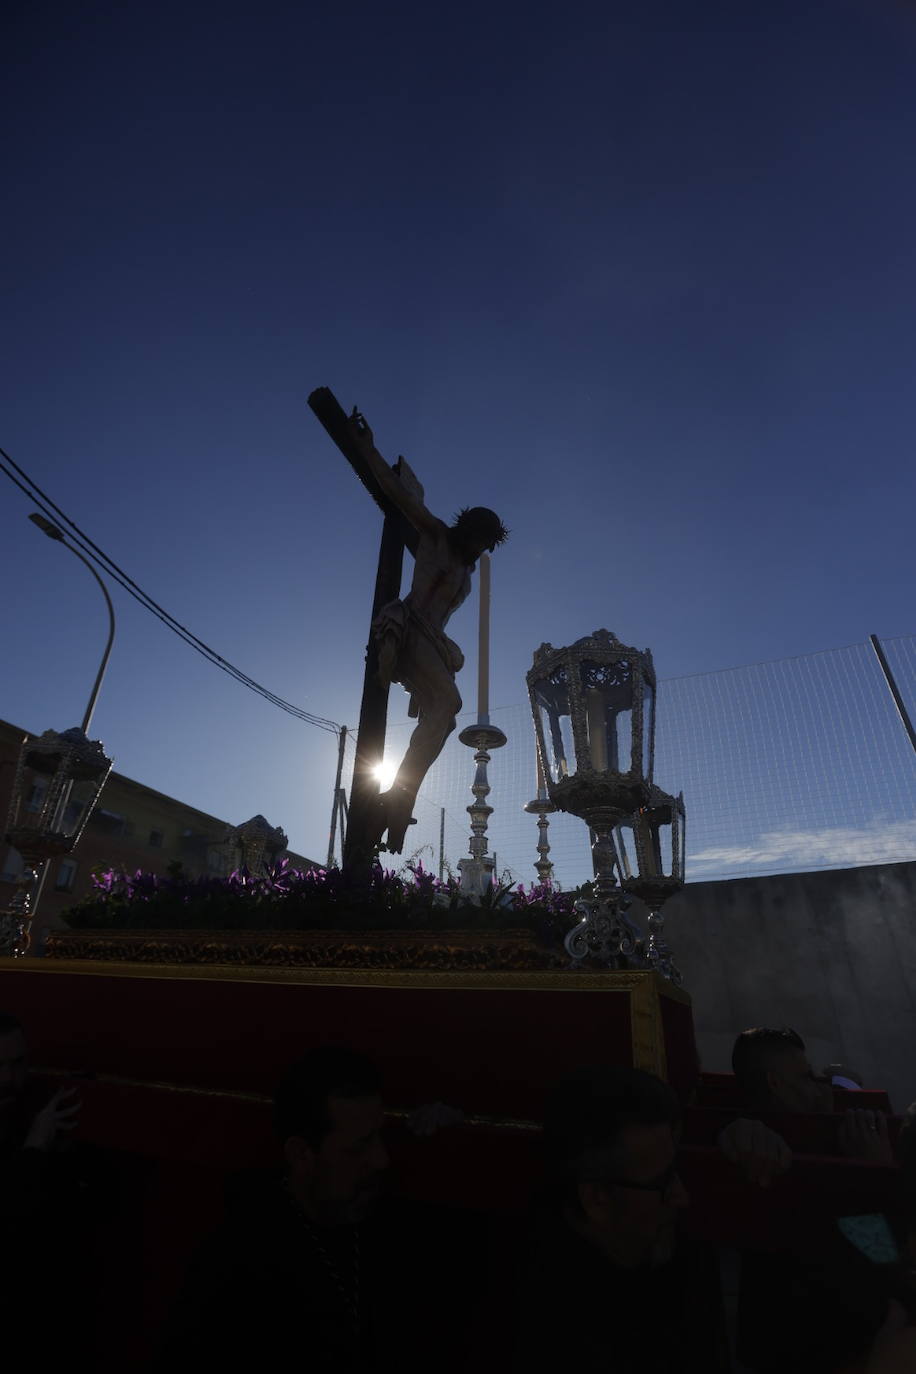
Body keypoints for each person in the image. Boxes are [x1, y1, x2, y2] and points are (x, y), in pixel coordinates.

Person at [152, 1045, 468, 1373]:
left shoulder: (380, 1219)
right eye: (359, 1146)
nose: (381, 1159)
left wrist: (454, 1148)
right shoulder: (239, 1261)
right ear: (302, 1155)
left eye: (380, 1137)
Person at [347, 407, 508, 853]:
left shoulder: (467, 573)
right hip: (411, 624)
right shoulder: (436, 536)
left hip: (432, 639)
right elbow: (399, 496)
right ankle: (399, 792)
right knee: (449, 702)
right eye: (476, 538)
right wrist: (366, 448)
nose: (478, 549)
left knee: (447, 712)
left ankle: (401, 793)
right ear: (465, 528)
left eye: (485, 545)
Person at [511, 1064, 728, 1372]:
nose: (682, 1196)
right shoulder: (541, 1325)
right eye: (663, 1183)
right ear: (596, 1199)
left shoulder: (673, 1251)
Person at [720, 1028, 895, 1185]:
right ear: (775, 1083)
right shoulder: (752, 1141)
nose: (820, 1087)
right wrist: (876, 1171)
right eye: (807, 1076)